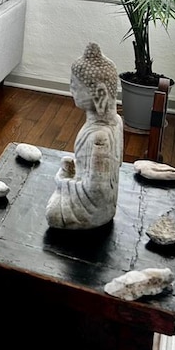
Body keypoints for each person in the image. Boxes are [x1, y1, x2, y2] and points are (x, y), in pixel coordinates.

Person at [45, 42, 123, 230]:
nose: (71, 90)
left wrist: (64, 180)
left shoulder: (99, 137)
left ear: (99, 93)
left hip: (94, 210)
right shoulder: (117, 121)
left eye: (75, 85)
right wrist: (77, 168)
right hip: (102, 204)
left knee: (53, 213)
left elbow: (97, 191)